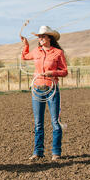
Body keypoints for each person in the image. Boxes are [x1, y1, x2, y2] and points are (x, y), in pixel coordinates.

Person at [21, 25, 68, 161]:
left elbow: (64, 71)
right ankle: (38, 152)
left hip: (52, 89)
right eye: (39, 37)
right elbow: (25, 57)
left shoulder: (58, 53)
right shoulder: (36, 51)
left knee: (55, 121)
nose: (40, 39)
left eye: (42, 36)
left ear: (49, 38)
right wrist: (26, 45)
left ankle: (56, 152)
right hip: (37, 89)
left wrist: (52, 73)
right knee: (38, 123)